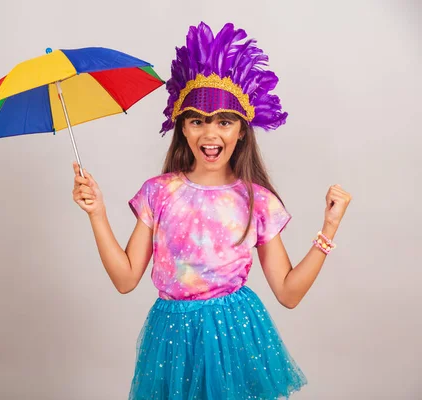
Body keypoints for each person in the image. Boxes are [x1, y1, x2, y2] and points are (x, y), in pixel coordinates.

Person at [72, 21, 352, 400]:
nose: (210, 134)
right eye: (197, 121)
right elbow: (125, 280)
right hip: (172, 338)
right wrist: (98, 214)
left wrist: (328, 229)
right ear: (182, 128)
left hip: (234, 334)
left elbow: (288, 292)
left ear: (241, 130)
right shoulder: (158, 192)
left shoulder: (257, 201)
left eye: (224, 121)